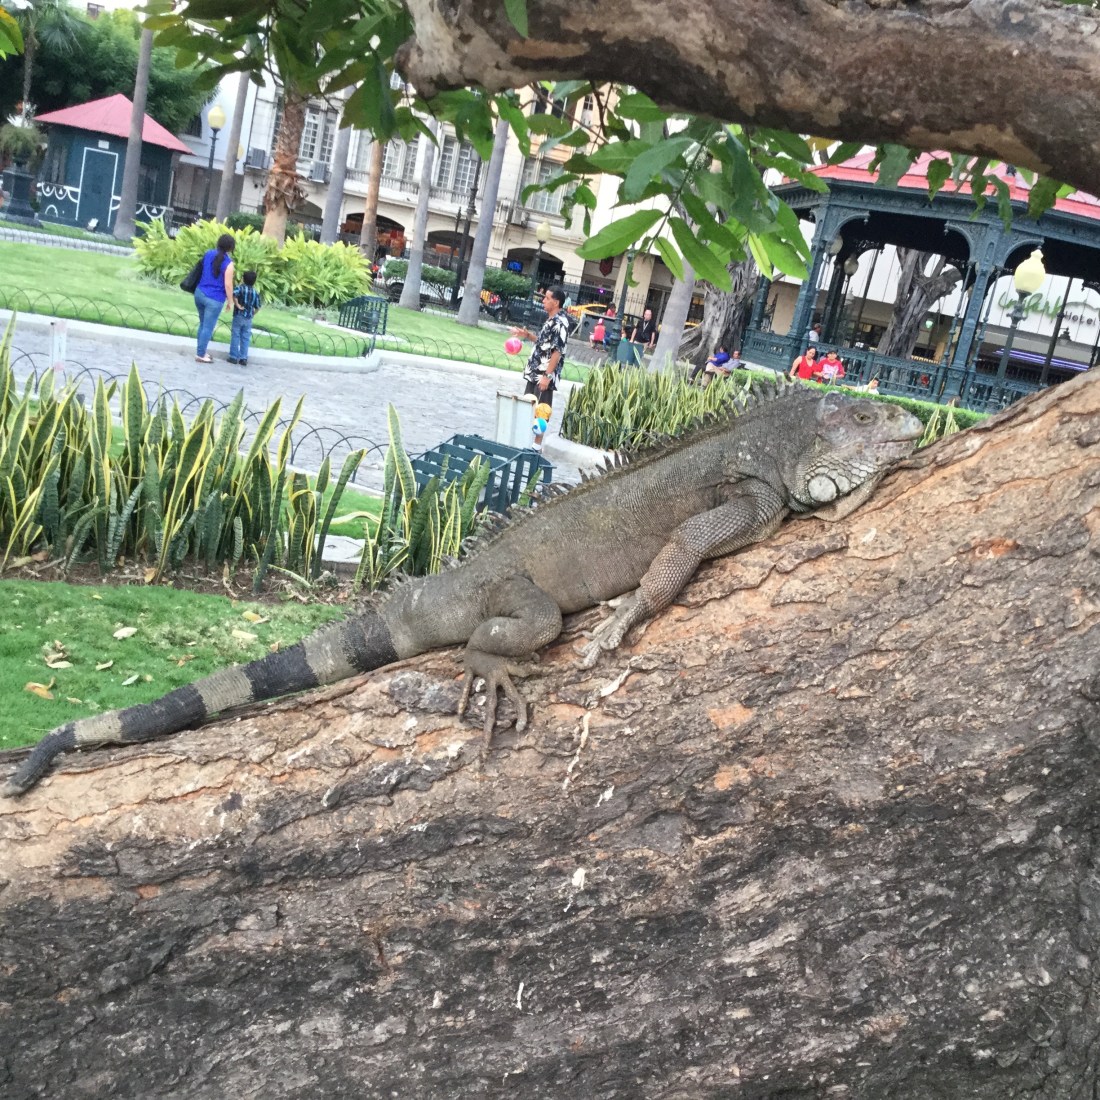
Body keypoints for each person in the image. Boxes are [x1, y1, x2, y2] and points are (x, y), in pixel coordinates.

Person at [510, 285, 570, 448]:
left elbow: (557, 352)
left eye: (547, 298)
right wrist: (527, 335)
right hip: (535, 372)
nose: (543, 300)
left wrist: (547, 376)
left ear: (556, 302)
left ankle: (536, 447)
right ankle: (523, 443)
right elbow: (544, 344)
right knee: (528, 407)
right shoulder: (552, 320)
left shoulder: (560, 323)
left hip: (543, 375)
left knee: (541, 412)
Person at [194, 232, 235, 363]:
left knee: (202, 324)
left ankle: (201, 351)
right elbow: (228, 285)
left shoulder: (208, 254)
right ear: (230, 248)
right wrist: (230, 301)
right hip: (214, 299)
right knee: (208, 327)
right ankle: (200, 354)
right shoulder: (229, 264)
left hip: (200, 293)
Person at [228, 269, 262, 366]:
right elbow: (258, 306)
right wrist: (252, 314)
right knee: (245, 337)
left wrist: (237, 304)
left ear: (243, 279)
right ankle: (243, 358)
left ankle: (233, 357)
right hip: (248, 318)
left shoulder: (240, 288)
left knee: (235, 335)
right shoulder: (255, 293)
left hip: (238, 315)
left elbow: (234, 294)